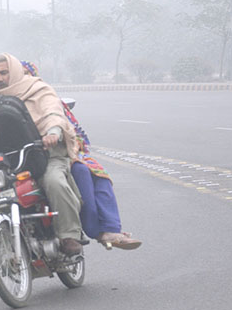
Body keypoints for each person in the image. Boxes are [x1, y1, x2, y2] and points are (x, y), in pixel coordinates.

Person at [0, 53, 84, 256]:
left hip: (46, 156)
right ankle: (1, 242)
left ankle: (68, 235)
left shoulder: (39, 90)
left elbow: (53, 113)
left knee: (54, 182)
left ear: (16, 72)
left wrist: (53, 133)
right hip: (11, 163)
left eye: (4, 73)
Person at [18, 60, 141, 250]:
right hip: (31, 159)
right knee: (80, 172)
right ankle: (94, 229)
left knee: (98, 174)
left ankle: (109, 229)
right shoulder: (7, 100)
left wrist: (62, 142)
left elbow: (64, 125)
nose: (26, 78)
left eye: (29, 74)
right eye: (21, 74)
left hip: (63, 151)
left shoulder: (45, 96)